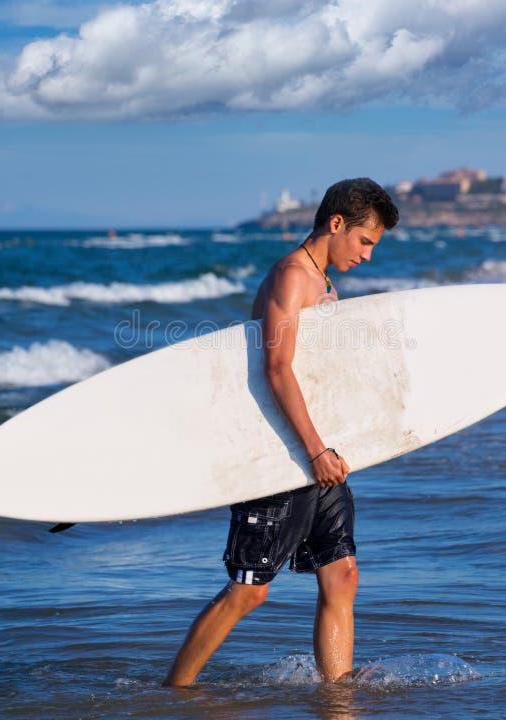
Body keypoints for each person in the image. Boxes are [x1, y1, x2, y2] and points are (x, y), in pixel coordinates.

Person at [164, 177, 399, 687]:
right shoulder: (292, 277)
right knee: (249, 590)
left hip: (317, 450)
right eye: (364, 241)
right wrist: (315, 451)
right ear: (336, 224)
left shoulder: (325, 284)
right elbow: (276, 369)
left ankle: (336, 693)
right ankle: (173, 694)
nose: (367, 256)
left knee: (342, 574)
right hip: (282, 454)